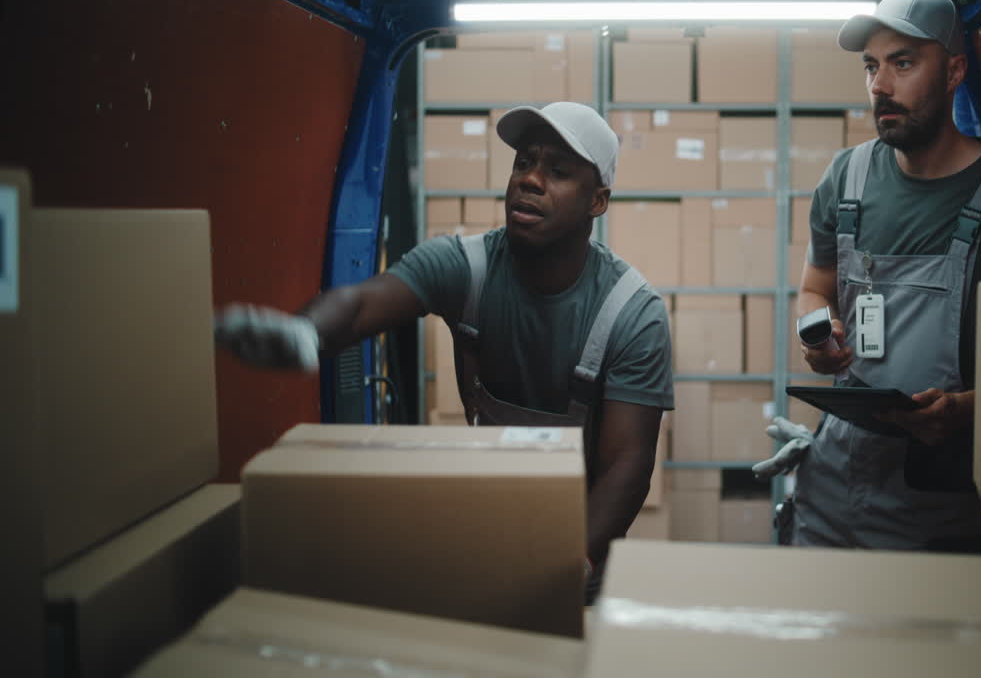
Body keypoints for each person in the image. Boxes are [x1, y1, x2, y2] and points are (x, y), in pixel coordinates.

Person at [215, 101, 674, 594]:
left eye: (558, 172)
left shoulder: (632, 312)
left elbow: (626, 466)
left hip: (581, 552)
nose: (530, 180)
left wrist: (567, 565)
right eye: (524, 162)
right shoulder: (465, 266)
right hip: (481, 528)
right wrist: (305, 334)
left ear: (597, 201)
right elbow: (360, 303)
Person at [790, 0, 981, 551]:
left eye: (902, 62)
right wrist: (817, 335)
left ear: (953, 72)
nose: (880, 85)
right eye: (871, 66)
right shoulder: (844, 181)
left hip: (934, 504)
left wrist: (969, 410)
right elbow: (813, 287)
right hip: (828, 485)